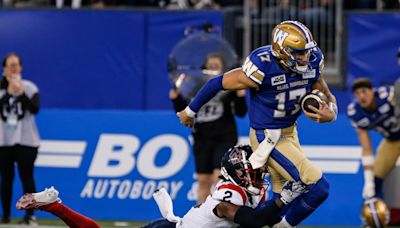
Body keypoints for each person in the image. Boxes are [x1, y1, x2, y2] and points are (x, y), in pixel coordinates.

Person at [177, 20, 337, 227]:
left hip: (290, 132)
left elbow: (327, 95)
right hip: (267, 137)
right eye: (298, 53)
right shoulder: (263, 66)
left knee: (281, 199)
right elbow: (218, 82)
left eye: (307, 52)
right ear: (282, 51)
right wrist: (190, 111)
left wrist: (331, 113)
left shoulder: (312, 62)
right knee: (318, 187)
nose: (305, 58)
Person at [16, 145, 305, 228]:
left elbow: (268, 220)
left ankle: (53, 205)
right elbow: (255, 220)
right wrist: (283, 202)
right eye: (250, 170)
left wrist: (285, 202)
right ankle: (53, 205)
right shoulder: (228, 195)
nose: (256, 175)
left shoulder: (252, 194)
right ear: (236, 173)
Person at [170, 53, 247, 203]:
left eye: (216, 67)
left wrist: (240, 96)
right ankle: (200, 220)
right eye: (210, 67)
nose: (212, 70)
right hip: (202, 137)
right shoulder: (195, 88)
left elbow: (241, 112)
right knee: (202, 180)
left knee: (219, 178)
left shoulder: (227, 86)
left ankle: (219, 218)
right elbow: (183, 111)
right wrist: (176, 98)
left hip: (224, 136)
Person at [0, 53, 41, 225]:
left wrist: (21, 93)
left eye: (16, 65)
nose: (14, 68)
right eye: (10, 65)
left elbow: (35, 109)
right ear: (4, 69)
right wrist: (9, 94)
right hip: (4, 140)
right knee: (6, 177)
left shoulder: (30, 87)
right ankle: (6, 215)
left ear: (21, 67)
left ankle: (30, 215)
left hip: (26, 140)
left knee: (27, 176)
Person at [347, 78, 400, 201]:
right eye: (358, 94)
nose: (362, 96)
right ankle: (379, 214)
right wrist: (368, 179)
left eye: (364, 91)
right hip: (391, 141)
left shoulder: (386, 95)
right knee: (376, 178)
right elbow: (366, 148)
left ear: (372, 91)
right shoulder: (356, 112)